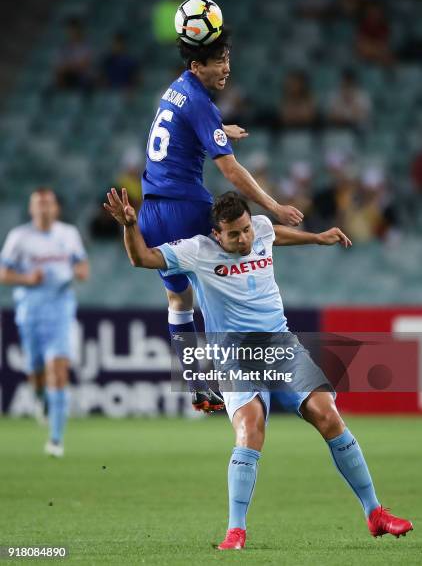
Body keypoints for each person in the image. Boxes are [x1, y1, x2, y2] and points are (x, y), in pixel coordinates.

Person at [105, 187, 413, 549]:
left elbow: (274, 233)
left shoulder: (261, 230)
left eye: (246, 229)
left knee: (328, 415)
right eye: (233, 234)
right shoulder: (197, 251)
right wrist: (130, 226)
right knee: (250, 429)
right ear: (216, 234)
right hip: (234, 357)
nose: (244, 238)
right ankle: (236, 531)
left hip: (281, 346)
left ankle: (375, 513)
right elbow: (141, 258)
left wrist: (316, 237)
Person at [139, 23, 303, 412]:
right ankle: (245, 368)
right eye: (218, 62)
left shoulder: (176, 89)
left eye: (227, 58)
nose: (226, 68)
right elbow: (230, 171)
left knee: (179, 298)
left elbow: (177, 131)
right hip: (185, 205)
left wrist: (216, 129)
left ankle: (195, 381)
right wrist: (274, 205)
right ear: (197, 66)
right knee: (241, 252)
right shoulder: (200, 102)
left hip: (151, 210)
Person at [0, 189, 89, 457]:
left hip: (61, 311)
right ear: (31, 209)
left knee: (59, 369)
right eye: (38, 204)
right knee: (37, 373)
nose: (43, 209)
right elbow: (3, 272)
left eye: (48, 203)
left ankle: (56, 440)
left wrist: (72, 272)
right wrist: (28, 279)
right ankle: (41, 399)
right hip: (30, 313)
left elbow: (84, 269)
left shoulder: (68, 234)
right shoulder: (19, 237)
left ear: (56, 208)